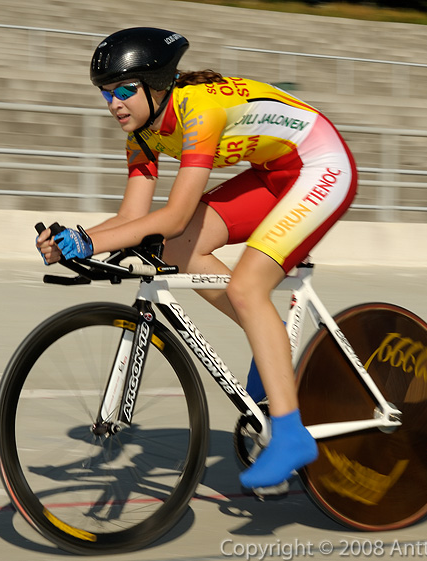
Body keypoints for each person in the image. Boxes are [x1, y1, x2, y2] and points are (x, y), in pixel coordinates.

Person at [36, 27, 357, 489]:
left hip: (321, 166)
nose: (114, 105)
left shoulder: (199, 111)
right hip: (271, 175)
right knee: (179, 252)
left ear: (156, 84)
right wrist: (75, 236)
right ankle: (266, 337)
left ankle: (290, 435)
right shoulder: (143, 133)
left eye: (125, 91)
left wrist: (91, 242)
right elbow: (132, 216)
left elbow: (175, 214)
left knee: (247, 286)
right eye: (106, 94)